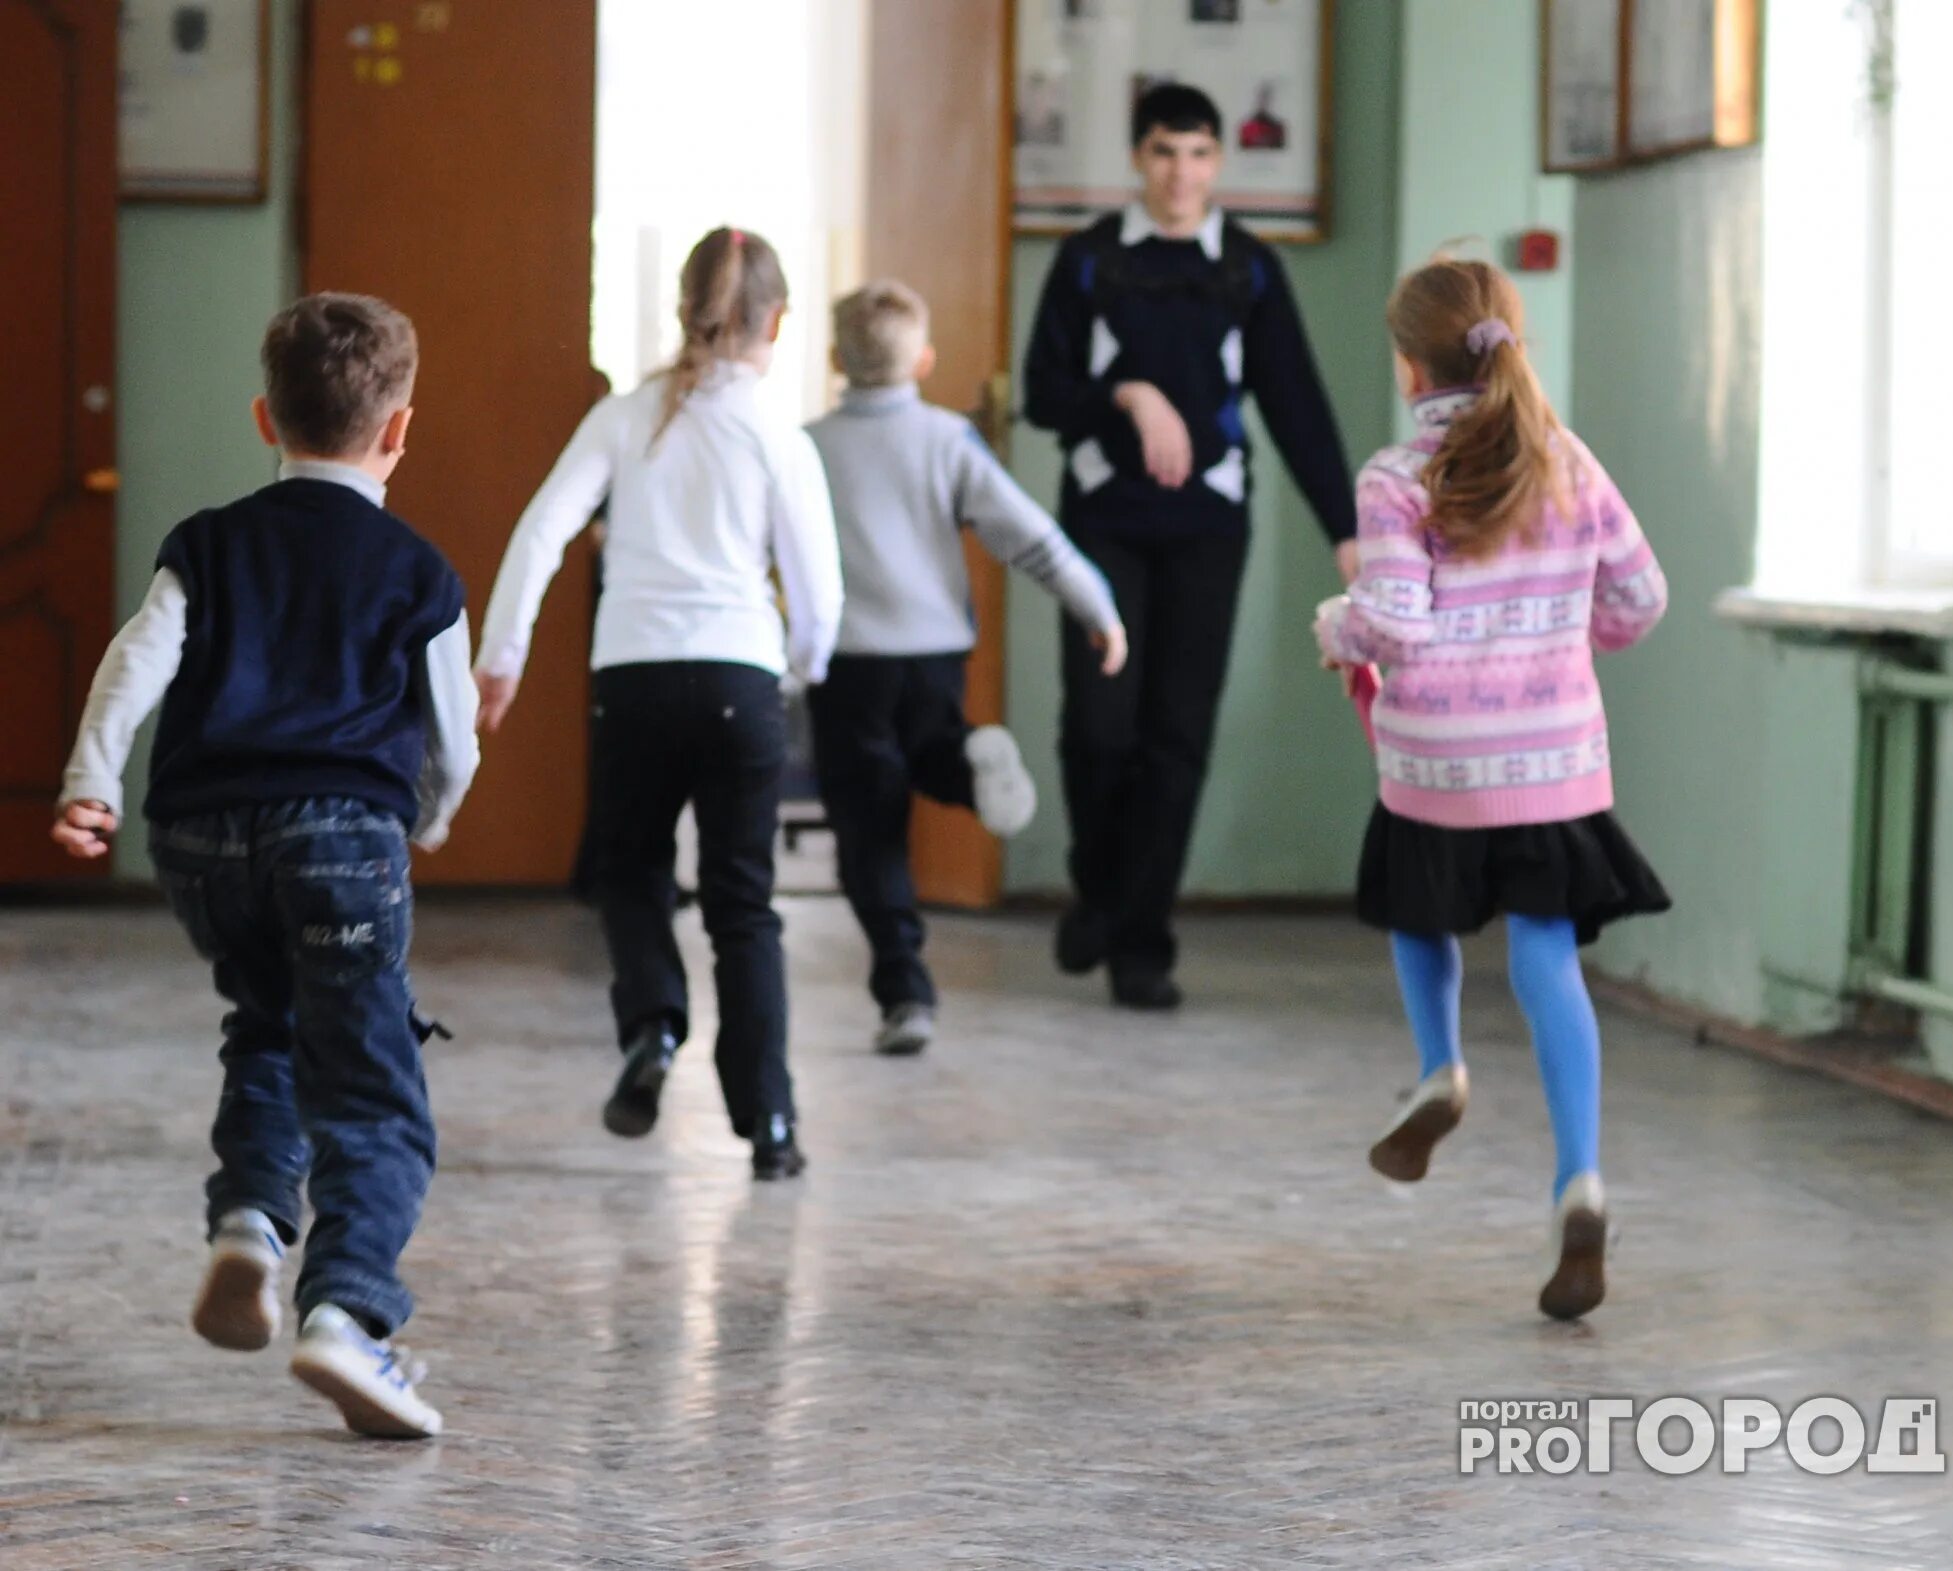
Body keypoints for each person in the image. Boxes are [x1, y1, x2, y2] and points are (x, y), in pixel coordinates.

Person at [50, 293, 479, 1438]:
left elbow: (136, 659)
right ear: (398, 429)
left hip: (200, 842)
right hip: (341, 841)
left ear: (262, 417)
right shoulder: (420, 573)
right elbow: (454, 740)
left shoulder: (208, 540)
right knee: (376, 1086)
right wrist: (424, 825)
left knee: (270, 1020)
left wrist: (91, 780)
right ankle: (348, 1314)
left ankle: (247, 1218)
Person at [1314, 258, 1670, 1322]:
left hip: (1433, 760)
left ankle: (1439, 1067)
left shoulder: (1394, 475)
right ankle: (1580, 1177)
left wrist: (1335, 626)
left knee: (1416, 911)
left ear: (1406, 361)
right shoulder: (1566, 461)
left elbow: (1392, 619)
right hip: (1550, 759)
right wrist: (1577, 635)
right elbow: (1639, 599)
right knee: (1543, 948)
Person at [473, 227, 841, 1180]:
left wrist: (500, 658)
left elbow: (543, 528)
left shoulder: (625, 417)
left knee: (632, 870)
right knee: (742, 904)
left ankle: (652, 1025)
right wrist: (799, 667)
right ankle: (769, 1124)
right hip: (739, 680)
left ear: (683, 310)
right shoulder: (777, 435)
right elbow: (820, 592)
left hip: (632, 677)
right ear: (780, 321)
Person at [1024, 81, 1354, 1011]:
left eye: (1200, 153)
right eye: (1165, 152)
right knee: (1099, 728)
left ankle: (1140, 943)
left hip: (1208, 528)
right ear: (1138, 158)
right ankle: (1099, 885)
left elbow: (1295, 404)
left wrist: (1345, 530)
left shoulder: (1247, 269)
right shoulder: (1090, 261)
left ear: (1220, 162)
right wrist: (1128, 392)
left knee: (1176, 736)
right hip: (1099, 525)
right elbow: (1043, 393)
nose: (1182, 172)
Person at [807, 280, 1128, 1057]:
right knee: (934, 752)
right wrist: (1098, 607)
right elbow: (1028, 533)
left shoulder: (808, 445)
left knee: (870, 828)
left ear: (833, 359)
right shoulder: (949, 439)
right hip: (934, 653)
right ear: (924, 359)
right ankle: (970, 758)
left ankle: (905, 987)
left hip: (847, 661)